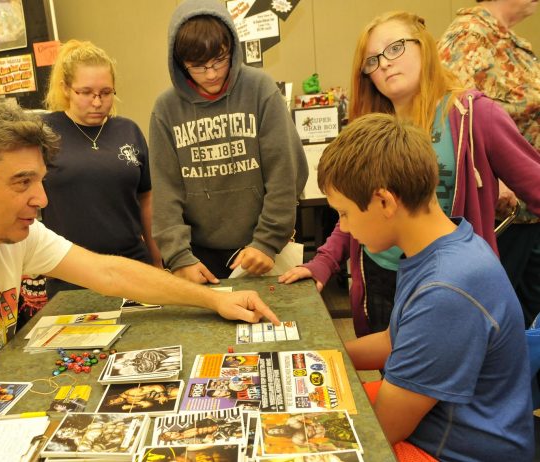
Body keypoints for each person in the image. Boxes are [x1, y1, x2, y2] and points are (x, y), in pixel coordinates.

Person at [0, 102, 279, 460]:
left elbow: (108, 271)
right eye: (22, 183)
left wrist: (212, 298)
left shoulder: (10, 230)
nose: (41, 199)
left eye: (40, 180)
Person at [280, 10, 540, 337]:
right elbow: (355, 212)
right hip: (381, 276)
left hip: (450, 282)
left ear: (424, 46)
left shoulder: (474, 115)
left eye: (394, 48)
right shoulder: (368, 130)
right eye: (372, 60)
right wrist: (325, 261)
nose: (384, 63)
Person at [325, 113, 532, 461]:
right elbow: (395, 341)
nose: (343, 227)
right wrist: (322, 361)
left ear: (385, 202)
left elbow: (385, 430)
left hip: (452, 450)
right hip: (435, 427)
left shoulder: (445, 289)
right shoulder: (442, 244)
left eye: (344, 213)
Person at [149, 0, 308, 283]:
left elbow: (285, 173)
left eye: (220, 60)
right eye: (198, 66)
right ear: (180, 63)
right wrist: (178, 257)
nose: (211, 74)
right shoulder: (166, 109)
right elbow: (165, 193)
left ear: (232, 48)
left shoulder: (260, 90)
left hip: (260, 251)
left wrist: (268, 240)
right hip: (197, 259)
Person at [438, 0, 540, 327]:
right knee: (497, 322)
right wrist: (498, 178)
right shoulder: (469, 40)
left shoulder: (503, 39)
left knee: (526, 321)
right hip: (503, 216)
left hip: (528, 211)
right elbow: (453, 119)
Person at [41, 40, 162, 297]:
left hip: (133, 266)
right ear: (66, 89)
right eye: (85, 92)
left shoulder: (128, 130)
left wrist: (157, 260)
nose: (97, 102)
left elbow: (146, 198)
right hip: (70, 273)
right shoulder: (43, 132)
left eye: (106, 93)